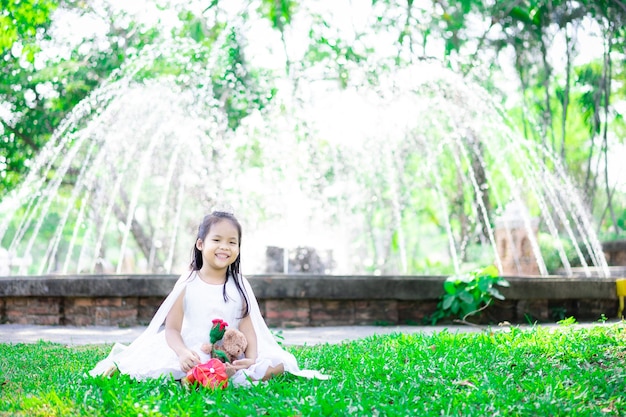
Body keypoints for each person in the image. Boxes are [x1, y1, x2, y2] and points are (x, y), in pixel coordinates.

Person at [89, 211, 328, 385]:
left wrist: (251, 358)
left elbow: (246, 325)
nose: (225, 247)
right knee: (172, 367)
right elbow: (171, 329)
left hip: (232, 353)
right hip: (194, 349)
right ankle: (201, 375)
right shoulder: (188, 284)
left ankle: (215, 376)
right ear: (201, 244)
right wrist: (182, 352)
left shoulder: (239, 285)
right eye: (217, 240)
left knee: (279, 364)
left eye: (232, 242)